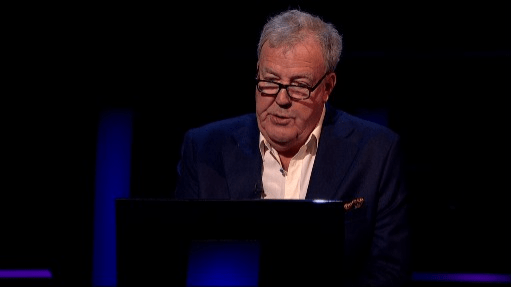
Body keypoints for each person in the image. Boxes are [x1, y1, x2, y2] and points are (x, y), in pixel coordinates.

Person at [175, 9, 411, 287]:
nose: (281, 99)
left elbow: (389, 271)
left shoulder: (376, 152)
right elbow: (180, 261)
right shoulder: (204, 149)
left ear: (327, 87)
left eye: (299, 86)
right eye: (270, 82)